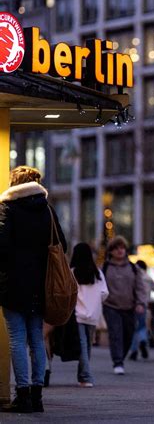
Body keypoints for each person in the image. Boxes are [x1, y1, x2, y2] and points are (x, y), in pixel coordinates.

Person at [0, 166, 67, 413]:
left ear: (14, 183)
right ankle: (37, 396)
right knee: (36, 337)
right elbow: (62, 245)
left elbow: (2, 245)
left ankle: (23, 395)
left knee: (17, 338)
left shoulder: (8, 208)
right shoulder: (47, 211)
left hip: (14, 283)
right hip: (42, 284)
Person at [102, 236, 147, 375]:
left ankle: (121, 355)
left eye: (122, 248)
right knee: (115, 333)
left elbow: (140, 287)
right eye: (116, 248)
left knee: (128, 334)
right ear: (111, 251)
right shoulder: (105, 268)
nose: (120, 251)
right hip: (111, 306)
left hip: (129, 306)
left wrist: (140, 303)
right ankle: (118, 362)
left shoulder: (133, 268)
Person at [71, 243, 109, 387]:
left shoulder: (72, 272)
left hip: (77, 313)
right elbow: (105, 293)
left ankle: (85, 376)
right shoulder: (98, 273)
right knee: (87, 345)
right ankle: (83, 375)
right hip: (94, 315)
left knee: (82, 345)